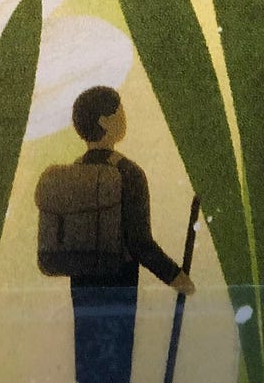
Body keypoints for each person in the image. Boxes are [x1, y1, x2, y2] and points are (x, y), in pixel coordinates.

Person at [68, 86, 195, 383]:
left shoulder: (71, 173)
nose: (124, 116)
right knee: (117, 361)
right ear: (104, 122)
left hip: (82, 285)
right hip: (119, 281)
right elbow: (140, 243)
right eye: (118, 111)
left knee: (88, 364)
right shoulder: (129, 173)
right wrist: (176, 277)